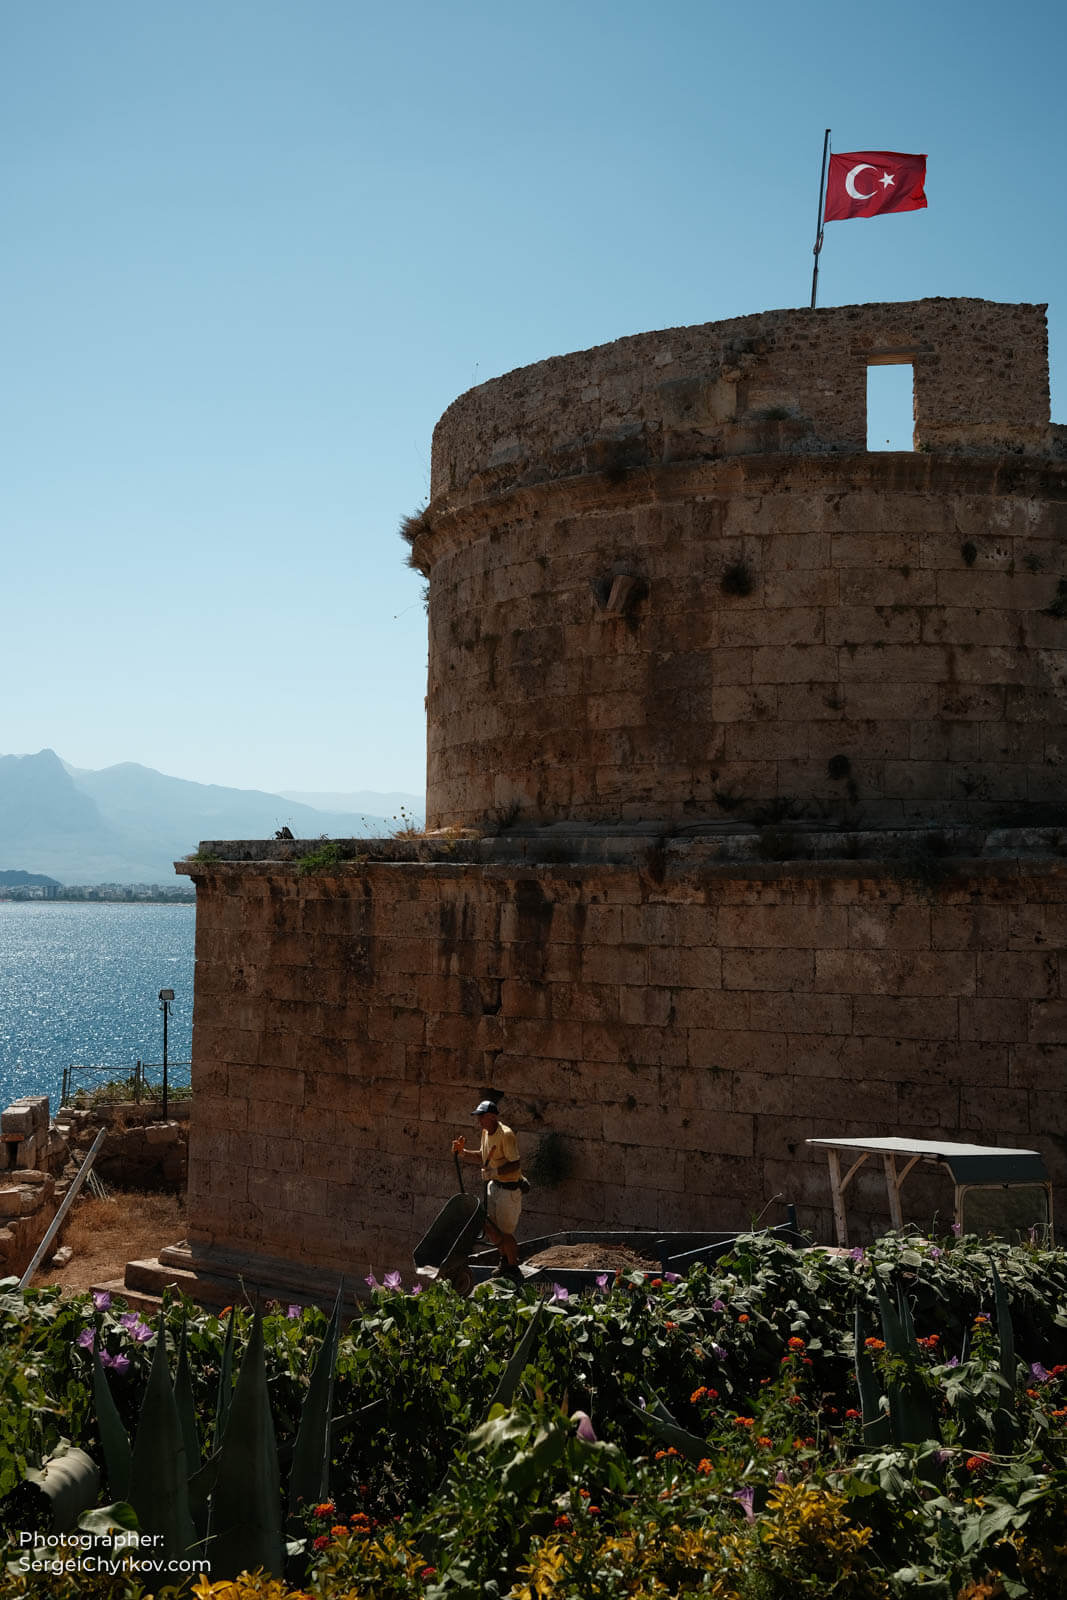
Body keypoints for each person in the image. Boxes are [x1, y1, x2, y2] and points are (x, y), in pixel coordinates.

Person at [452, 1099, 523, 1279]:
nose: (479, 1121)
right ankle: (505, 1259)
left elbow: (515, 1164)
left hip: (508, 1189)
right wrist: (463, 1153)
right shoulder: (485, 1132)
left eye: (481, 1117)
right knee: (490, 1226)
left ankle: (513, 1268)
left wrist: (494, 1172)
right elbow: (483, 1156)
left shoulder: (506, 1134)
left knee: (505, 1232)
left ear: (492, 1116)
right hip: (494, 1186)